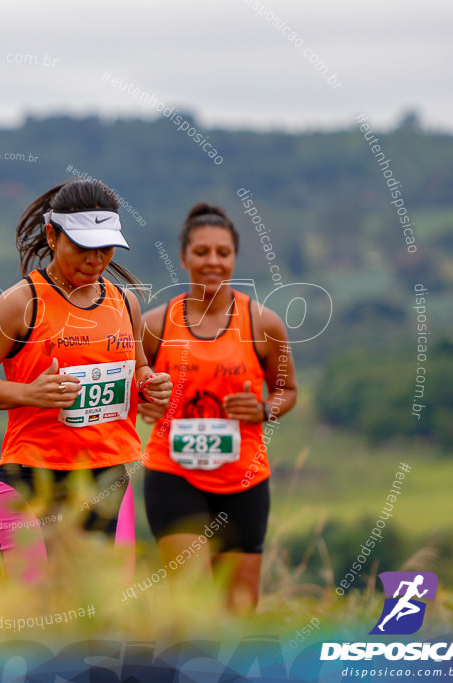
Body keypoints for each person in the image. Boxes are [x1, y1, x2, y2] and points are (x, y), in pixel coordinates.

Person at [0, 179, 172, 584]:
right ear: (53, 236)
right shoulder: (22, 302)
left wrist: (151, 384)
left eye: (106, 248)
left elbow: (138, 369)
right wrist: (28, 393)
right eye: (83, 247)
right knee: (34, 611)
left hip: (107, 478)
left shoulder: (126, 302)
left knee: (102, 614)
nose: (96, 259)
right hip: (33, 478)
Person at [140, 203, 297, 612]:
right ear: (184, 257)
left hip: (243, 479)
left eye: (223, 253)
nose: (213, 262)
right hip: (173, 474)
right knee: (191, 603)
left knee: (239, 610)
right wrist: (144, 401)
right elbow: (131, 390)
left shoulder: (264, 324)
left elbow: (288, 391)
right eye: (202, 252)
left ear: (234, 258)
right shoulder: (155, 325)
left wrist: (262, 410)